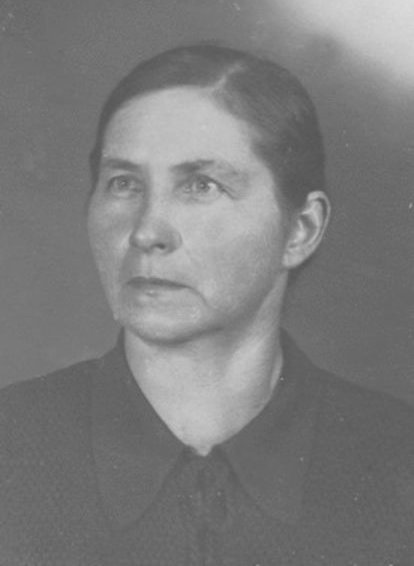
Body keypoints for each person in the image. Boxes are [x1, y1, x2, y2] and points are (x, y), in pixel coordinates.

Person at [0, 44, 413, 565]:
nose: (147, 231)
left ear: (301, 230)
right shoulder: (11, 445)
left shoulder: (398, 463)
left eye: (201, 185)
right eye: (124, 183)